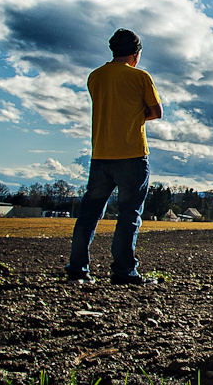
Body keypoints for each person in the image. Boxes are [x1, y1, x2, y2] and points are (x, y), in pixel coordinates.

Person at [64, 29, 162, 286]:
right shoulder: (141, 77)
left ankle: (77, 269)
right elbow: (156, 111)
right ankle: (123, 272)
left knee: (89, 214)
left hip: (101, 155)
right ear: (135, 54)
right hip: (132, 154)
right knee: (129, 215)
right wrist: (136, 116)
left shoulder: (95, 77)